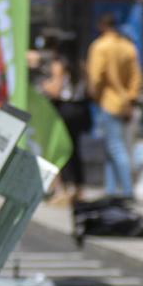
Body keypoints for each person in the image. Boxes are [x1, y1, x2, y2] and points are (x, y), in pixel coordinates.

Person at [86, 11, 142, 199]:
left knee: (116, 147)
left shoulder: (99, 47)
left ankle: (127, 190)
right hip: (124, 102)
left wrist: (94, 94)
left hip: (108, 101)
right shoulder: (128, 47)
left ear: (101, 25)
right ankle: (110, 190)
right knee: (112, 147)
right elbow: (136, 76)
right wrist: (131, 98)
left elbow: (95, 76)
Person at [41, 36, 92, 204]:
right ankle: (78, 187)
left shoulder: (59, 65)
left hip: (63, 109)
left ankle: (63, 188)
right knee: (75, 149)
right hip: (80, 109)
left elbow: (55, 90)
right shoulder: (82, 65)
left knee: (60, 149)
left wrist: (43, 85)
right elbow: (90, 89)